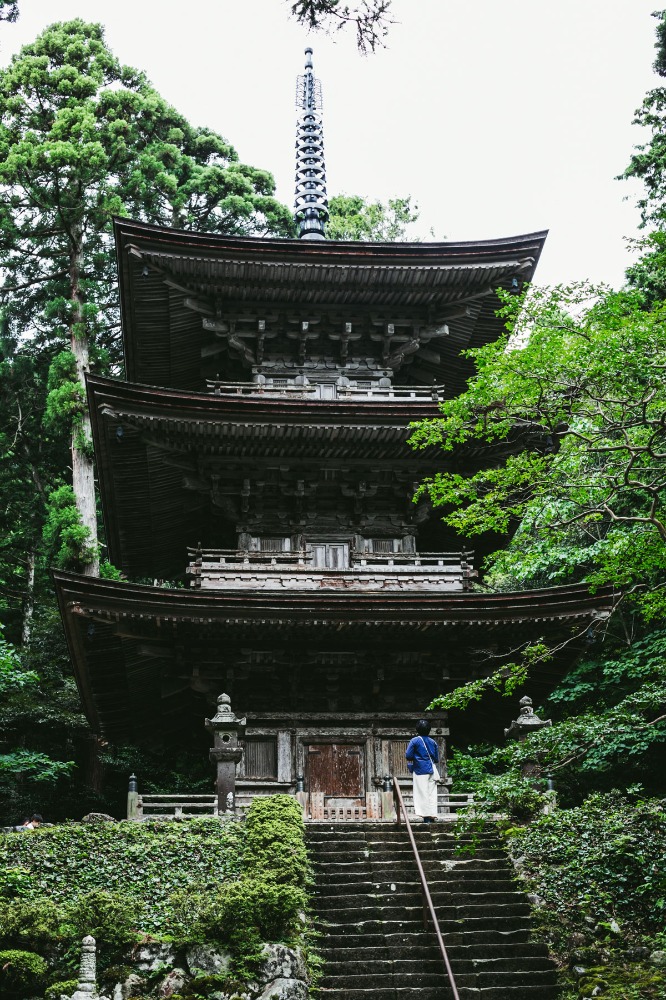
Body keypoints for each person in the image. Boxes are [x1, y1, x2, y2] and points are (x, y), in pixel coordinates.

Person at [405, 720, 439, 823]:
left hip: (420, 769)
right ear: (429, 730)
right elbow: (436, 759)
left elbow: (408, 756)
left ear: (417, 729)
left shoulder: (415, 740)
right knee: (431, 793)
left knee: (422, 793)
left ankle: (426, 817)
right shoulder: (433, 742)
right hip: (431, 770)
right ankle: (433, 815)